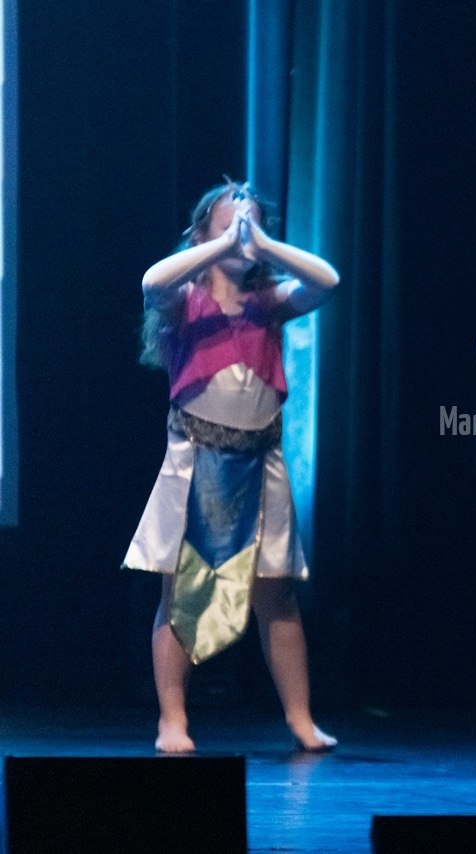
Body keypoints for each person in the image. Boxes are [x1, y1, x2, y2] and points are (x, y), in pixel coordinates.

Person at [124, 179, 340, 754]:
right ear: (201, 236)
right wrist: (222, 246)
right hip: (194, 464)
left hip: (260, 464)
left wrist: (261, 244)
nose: (242, 236)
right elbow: (152, 281)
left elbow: (327, 281)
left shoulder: (269, 302)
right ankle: (172, 719)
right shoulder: (183, 300)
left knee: (277, 596)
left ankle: (300, 717)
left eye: (251, 226)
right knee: (181, 597)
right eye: (228, 226)